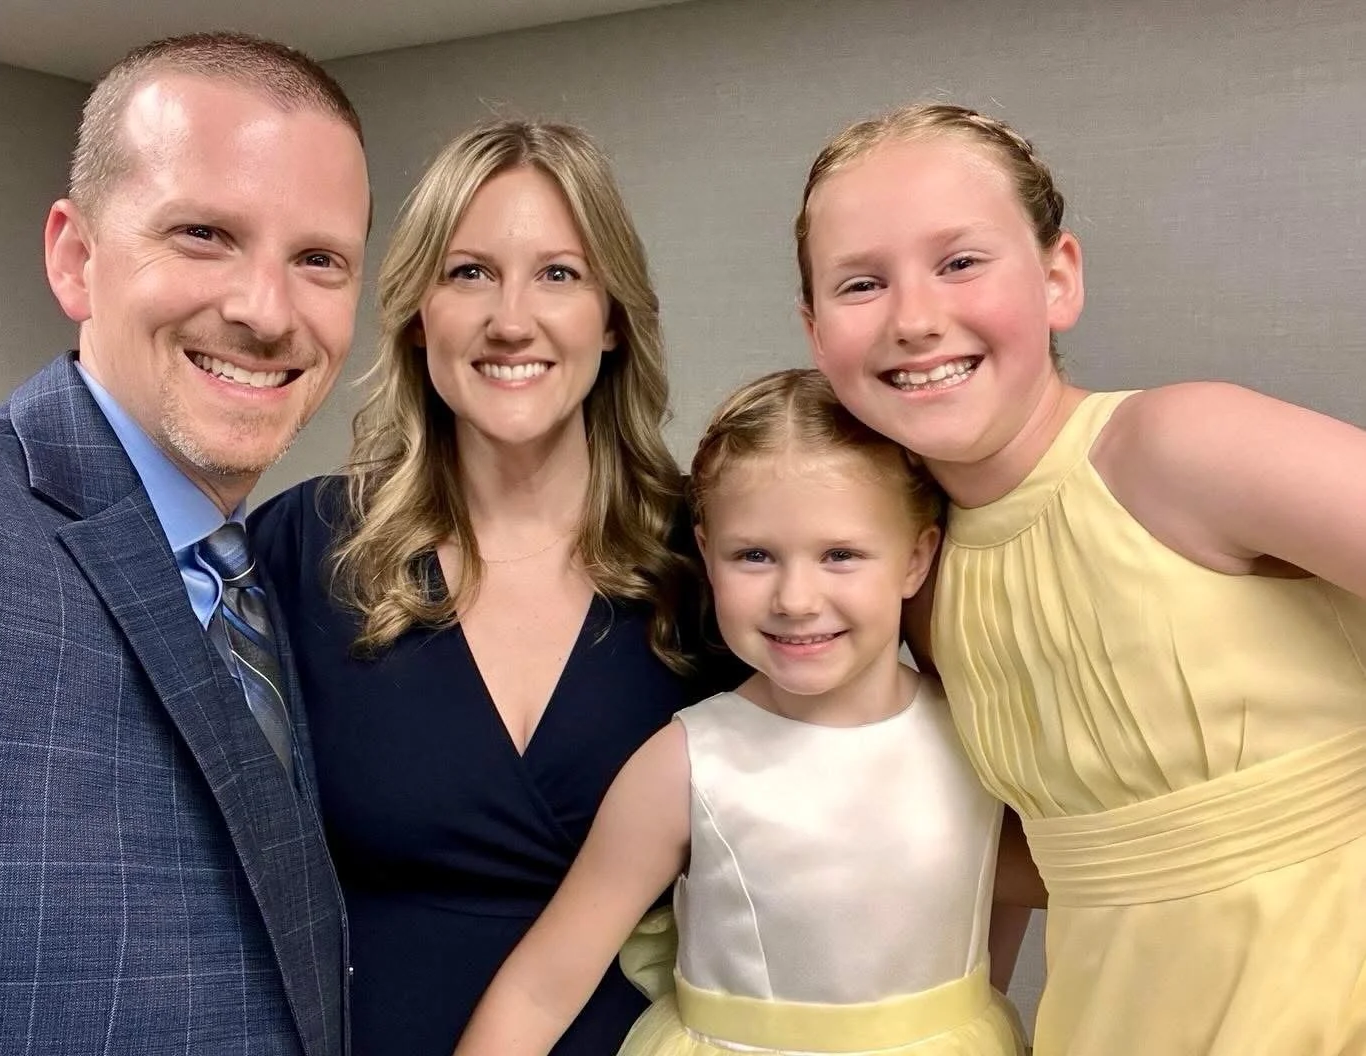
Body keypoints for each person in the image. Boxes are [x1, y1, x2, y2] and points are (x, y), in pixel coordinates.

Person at [0, 32, 370, 1055]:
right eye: (204, 234)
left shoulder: (263, 581)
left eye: (318, 260)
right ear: (75, 258)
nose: (266, 310)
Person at [796, 102, 1366, 1055]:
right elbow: (1055, 848)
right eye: (862, 283)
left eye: (960, 262)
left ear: (1058, 278)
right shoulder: (927, 586)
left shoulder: (1180, 447)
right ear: (816, 334)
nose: (915, 319)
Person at [250, 119, 737, 1056]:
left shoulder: (717, 560)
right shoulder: (304, 549)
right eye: (469, 272)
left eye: (559, 274)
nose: (512, 319)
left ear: (613, 318)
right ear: (417, 312)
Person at [451, 367, 1027, 1056]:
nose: (796, 599)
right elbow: (544, 986)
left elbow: (1005, 899)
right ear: (706, 552)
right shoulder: (687, 765)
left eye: (840, 555)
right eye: (755, 555)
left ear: (916, 557)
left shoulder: (977, 733)